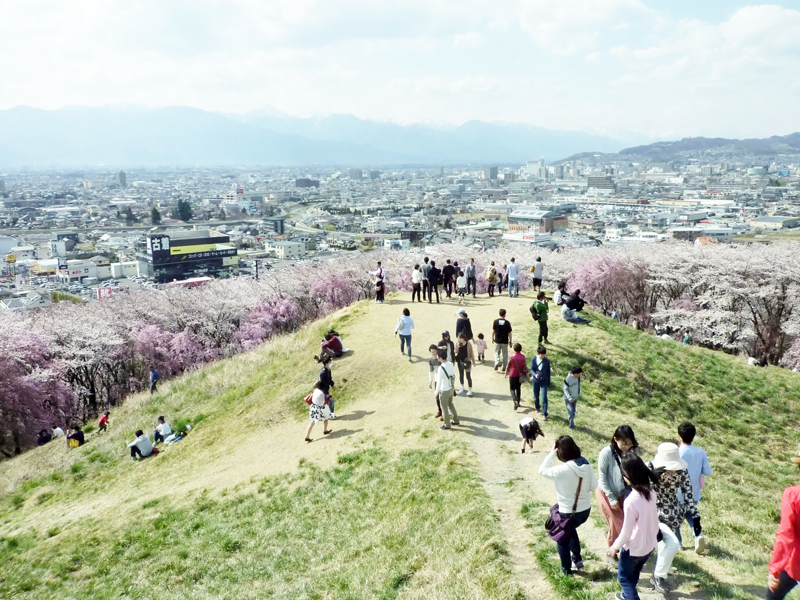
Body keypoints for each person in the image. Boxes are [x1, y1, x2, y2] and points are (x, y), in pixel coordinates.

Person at [539, 436, 598, 575]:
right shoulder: (586, 464)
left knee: (562, 540)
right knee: (570, 530)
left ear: (560, 452)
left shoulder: (562, 470)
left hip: (567, 512)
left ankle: (566, 569)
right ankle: (577, 560)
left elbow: (542, 470)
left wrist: (552, 452)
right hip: (584, 511)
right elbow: (594, 486)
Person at [647, 442, 701, 594]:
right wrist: (651, 478)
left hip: (673, 513)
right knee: (673, 543)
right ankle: (658, 576)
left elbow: (688, 494)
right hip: (654, 512)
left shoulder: (682, 471)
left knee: (665, 545)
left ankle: (659, 574)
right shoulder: (649, 468)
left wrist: (695, 516)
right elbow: (639, 489)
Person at [608, 454, 661, 600]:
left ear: (628, 476)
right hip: (649, 545)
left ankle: (629, 595)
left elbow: (626, 532)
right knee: (634, 572)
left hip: (633, 548)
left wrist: (614, 547)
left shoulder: (631, 500)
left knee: (624, 578)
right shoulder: (652, 492)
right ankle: (626, 595)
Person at [597, 425, 640, 548]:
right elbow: (602, 477)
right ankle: (613, 551)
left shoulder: (633, 451)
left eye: (629, 444)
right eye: (624, 443)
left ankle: (615, 546)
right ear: (615, 439)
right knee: (619, 523)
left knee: (621, 522)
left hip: (624, 492)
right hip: (606, 492)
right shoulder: (606, 453)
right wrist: (611, 498)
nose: (627, 447)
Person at [678, 422, 712, 553]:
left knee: (675, 519)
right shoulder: (701, 452)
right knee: (692, 516)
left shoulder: (677, 452)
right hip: (694, 493)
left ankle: (678, 543)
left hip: (678, 493)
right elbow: (708, 471)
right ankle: (698, 536)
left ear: (680, 436)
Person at [766, 475, 800, 600]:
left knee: (773, 596)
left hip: (795, 562)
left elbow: (786, 535)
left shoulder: (793, 495)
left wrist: (775, 569)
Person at [435, 349, 459, 430]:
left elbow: (439, 382)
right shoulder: (450, 364)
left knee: (444, 408)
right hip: (451, 388)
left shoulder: (441, 368)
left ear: (440, 357)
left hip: (444, 390)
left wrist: (436, 392)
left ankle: (447, 425)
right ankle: (456, 420)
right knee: (451, 404)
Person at [505, 343, 528, 409]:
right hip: (519, 375)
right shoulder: (523, 357)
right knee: (518, 388)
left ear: (514, 349)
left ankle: (514, 400)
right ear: (520, 349)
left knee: (512, 388)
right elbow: (525, 367)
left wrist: (506, 373)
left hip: (512, 374)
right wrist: (527, 374)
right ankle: (518, 401)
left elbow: (508, 365)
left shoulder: (511, 356)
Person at [531, 345, 551, 420]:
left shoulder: (547, 361)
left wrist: (549, 382)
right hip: (536, 380)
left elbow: (548, 372)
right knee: (536, 396)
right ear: (538, 353)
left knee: (544, 397)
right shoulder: (534, 359)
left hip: (544, 381)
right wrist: (535, 375)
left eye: (544, 354)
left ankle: (544, 413)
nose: (543, 356)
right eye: (541, 354)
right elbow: (532, 369)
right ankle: (537, 407)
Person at [428, 344, 444, 420]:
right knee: (437, 396)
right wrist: (430, 381)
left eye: (434, 352)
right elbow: (431, 371)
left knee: (443, 396)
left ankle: (444, 413)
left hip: (443, 380)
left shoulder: (440, 359)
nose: (433, 353)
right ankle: (439, 410)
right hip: (437, 380)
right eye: (432, 352)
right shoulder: (431, 360)